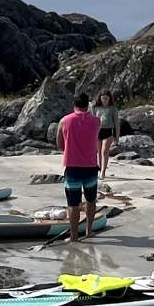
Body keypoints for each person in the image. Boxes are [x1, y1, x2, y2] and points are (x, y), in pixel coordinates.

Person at [56, 93, 104, 242]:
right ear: (87, 105)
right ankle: (89, 231)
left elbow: (60, 145)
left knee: (73, 203)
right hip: (90, 166)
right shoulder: (96, 121)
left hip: (72, 166)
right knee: (91, 200)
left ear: (74, 105)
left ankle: (74, 236)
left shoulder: (64, 121)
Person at [95, 92, 122, 178]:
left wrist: (117, 136)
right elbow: (91, 121)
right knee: (98, 152)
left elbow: (116, 123)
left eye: (106, 98)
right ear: (100, 98)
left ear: (109, 98)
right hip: (97, 131)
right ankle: (99, 168)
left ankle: (103, 171)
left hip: (108, 131)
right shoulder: (95, 108)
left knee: (104, 151)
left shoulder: (112, 109)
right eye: (103, 98)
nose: (104, 100)